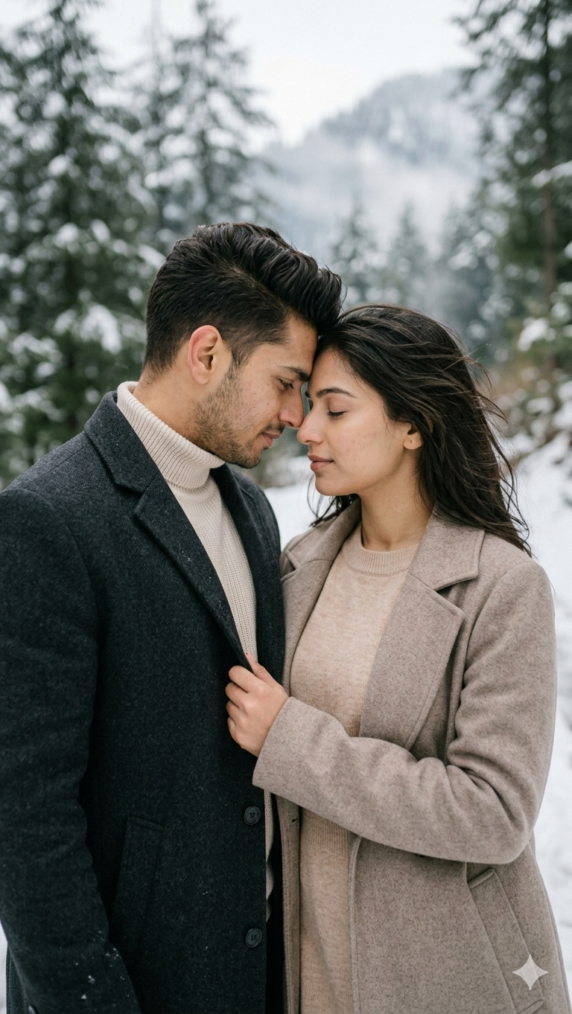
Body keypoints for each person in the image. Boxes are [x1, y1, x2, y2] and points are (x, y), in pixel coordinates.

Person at [0, 222, 341, 1014]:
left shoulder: (252, 509)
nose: (296, 413)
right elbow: (25, 821)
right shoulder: (46, 522)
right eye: (286, 381)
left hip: (255, 982)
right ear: (208, 353)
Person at [226, 303, 572, 1014]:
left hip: (446, 975)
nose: (307, 429)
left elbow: (493, 812)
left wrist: (293, 739)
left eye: (336, 409)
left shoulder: (503, 588)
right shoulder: (296, 568)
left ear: (413, 425)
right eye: (308, 404)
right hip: (313, 971)